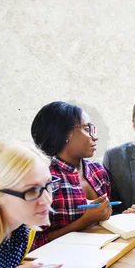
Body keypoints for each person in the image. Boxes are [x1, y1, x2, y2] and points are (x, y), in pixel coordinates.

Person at [31, 101, 112, 248]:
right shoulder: (44, 180)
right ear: (63, 133)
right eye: (87, 129)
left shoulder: (98, 171)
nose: (95, 137)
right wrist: (83, 222)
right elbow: (33, 243)